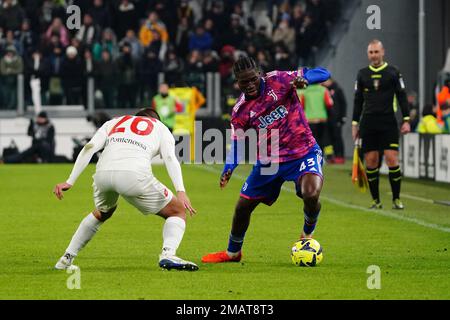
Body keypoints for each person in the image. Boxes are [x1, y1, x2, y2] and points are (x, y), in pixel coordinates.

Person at [202, 56, 330, 263]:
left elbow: (324, 73)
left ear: (259, 74)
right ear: (237, 82)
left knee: (311, 193)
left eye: (253, 79)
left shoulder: (280, 79)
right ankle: (233, 253)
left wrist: (305, 80)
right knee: (242, 207)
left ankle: (307, 234)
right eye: (244, 81)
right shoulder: (240, 110)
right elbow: (238, 142)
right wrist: (229, 166)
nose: (250, 84)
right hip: (269, 160)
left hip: (303, 152)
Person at [53, 108, 198, 271]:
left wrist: (70, 181)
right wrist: (181, 191)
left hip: (102, 174)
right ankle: (168, 255)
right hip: (133, 175)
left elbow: (90, 147)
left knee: (103, 212)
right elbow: (170, 158)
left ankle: (66, 258)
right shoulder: (160, 127)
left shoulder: (114, 121)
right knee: (177, 211)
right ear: (156, 119)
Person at [352, 39, 411, 210]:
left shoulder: (393, 72)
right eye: (371, 52)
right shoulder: (362, 74)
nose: (374, 55)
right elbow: (357, 101)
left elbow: (401, 96)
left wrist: (406, 119)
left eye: (376, 52)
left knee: (392, 159)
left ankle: (396, 199)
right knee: (371, 161)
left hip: (388, 121)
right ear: (368, 54)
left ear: (383, 52)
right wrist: (355, 124)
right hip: (368, 122)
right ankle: (375, 201)